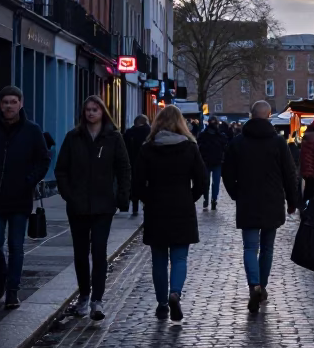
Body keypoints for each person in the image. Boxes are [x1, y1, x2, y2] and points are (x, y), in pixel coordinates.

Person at [55, 96, 131, 321]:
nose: (90, 113)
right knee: (80, 254)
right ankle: (84, 297)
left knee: (99, 252)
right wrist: (69, 194)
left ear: (102, 112)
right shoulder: (73, 137)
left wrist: (121, 198)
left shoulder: (114, 138)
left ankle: (97, 300)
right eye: (87, 109)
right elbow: (61, 169)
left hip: (103, 205)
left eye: (95, 109)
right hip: (77, 206)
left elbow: (124, 168)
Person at [0, 86, 50, 309]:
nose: (9, 106)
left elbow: (43, 159)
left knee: (16, 247)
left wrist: (29, 180)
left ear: (20, 103)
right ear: (0, 105)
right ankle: (1, 276)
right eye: (5, 102)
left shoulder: (32, 130)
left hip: (19, 200)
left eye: (13, 102)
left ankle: (12, 291)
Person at [221, 100, 298, 313]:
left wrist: (236, 193)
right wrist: (293, 201)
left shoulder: (238, 142)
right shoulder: (278, 142)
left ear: (250, 115)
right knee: (267, 248)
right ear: (269, 115)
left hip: (248, 201)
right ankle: (262, 286)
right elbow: (289, 174)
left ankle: (253, 285)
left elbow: (227, 173)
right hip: (272, 201)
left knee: (249, 247)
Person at [133, 105, 208, 322]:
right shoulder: (190, 147)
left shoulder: (148, 148)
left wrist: (149, 199)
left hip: (156, 208)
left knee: (158, 259)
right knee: (179, 257)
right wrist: (189, 197)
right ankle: (175, 292)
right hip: (181, 207)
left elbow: (137, 183)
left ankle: (162, 303)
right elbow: (202, 180)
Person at [197, 117, 227, 211]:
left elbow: (199, 147)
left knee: (207, 182)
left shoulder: (203, 135)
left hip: (207, 161)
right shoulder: (220, 135)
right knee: (215, 183)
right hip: (216, 162)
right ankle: (213, 200)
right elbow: (225, 147)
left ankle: (207, 199)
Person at [124, 114, 151, 217]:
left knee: (135, 184)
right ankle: (146, 205)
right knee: (147, 184)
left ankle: (135, 207)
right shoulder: (151, 132)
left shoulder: (130, 133)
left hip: (133, 162)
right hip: (148, 163)